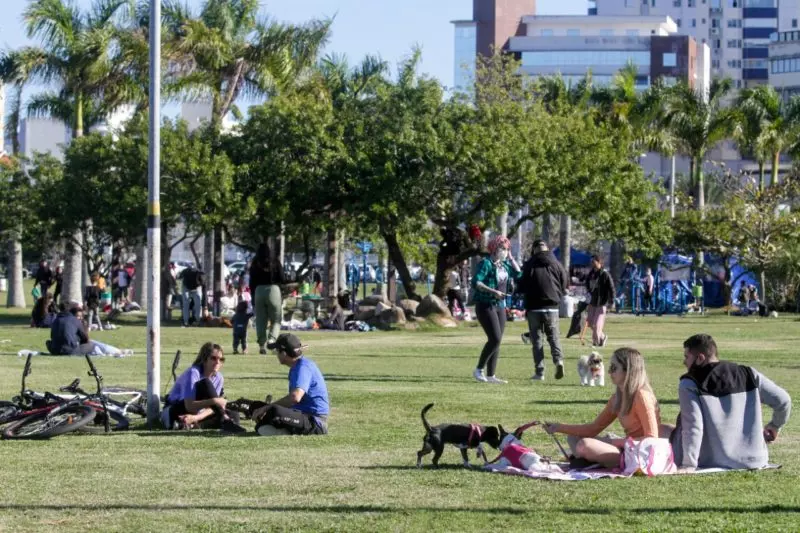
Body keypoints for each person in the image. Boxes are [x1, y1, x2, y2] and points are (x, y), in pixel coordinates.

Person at [667, 334, 791, 471]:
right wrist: (775, 426)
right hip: (754, 460)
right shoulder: (749, 374)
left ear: (700, 358)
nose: (684, 362)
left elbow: (693, 426)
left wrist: (688, 464)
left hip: (711, 460)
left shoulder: (689, 383)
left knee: (666, 430)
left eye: (687, 357)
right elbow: (784, 400)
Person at [544, 347, 663, 468]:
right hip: (626, 448)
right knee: (573, 438)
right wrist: (558, 427)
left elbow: (652, 439)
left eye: (614, 368)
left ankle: (592, 461)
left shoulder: (641, 396)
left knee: (585, 444)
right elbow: (594, 428)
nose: (609, 372)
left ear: (628, 371)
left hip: (641, 454)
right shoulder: (617, 398)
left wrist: (612, 442)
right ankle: (593, 461)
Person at [251, 334, 329, 436]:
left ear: (284, 353)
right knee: (257, 407)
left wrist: (268, 407)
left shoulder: (303, 367)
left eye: (277, 351)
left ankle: (280, 430)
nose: (276, 354)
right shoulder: (296, 367)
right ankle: (276, 428)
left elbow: (295, 397)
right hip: (301, 414)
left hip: (314, 420)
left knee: (274, 411)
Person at [162, 342, 245, 434]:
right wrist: (214, 401)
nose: (218, 362)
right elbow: (189, 406)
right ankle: (226, 421)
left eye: (221, 359)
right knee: (205, 383)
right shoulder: (193, 373)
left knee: (234, 414)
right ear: (204, 359)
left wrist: (196, 417)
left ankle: (191, 424)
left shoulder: (219, 378)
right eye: (213, 358)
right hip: (175, 410)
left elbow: (214, 408)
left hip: (196, 413)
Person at [470, 235, 521, 384]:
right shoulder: (486, 263)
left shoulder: (504, 265)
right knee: (495, 338)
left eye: (506, 249)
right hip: (485, 305)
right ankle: (479, 369)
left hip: (500, 306)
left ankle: (491, 375)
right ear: (493, 248)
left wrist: (511, 258)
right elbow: (476, 282)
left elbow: (519, 274)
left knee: (497, 341)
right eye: (502, 249)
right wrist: (493, 292)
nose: (504, 252)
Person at [519, 240, 569, 381]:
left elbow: (521, 285)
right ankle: (558, 361)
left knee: (537, 341)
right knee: (553, 337)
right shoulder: (556, 263)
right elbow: (565, 282)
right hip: (552, 307)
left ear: (534, 249)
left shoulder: (529, 264)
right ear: (547, 249)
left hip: (534, 307)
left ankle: (539, 372)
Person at [249, 243, 285, 354]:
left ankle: (261, 345)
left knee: (260, 320)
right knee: (276, 319)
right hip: (273, 290)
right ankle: (272, 339)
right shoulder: (275, 262)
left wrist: (252, 297)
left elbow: (251, 282)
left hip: (258, 291)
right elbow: (282, 278)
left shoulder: (255, 263)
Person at [585, 255, 614, 347]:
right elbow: (587, 284)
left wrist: (611, 302)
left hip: (602, 303)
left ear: (599, 262)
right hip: (592, 302)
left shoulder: (605, 274)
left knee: (597, 325)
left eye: (594, 262)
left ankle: (595, 343)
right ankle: (602, 337)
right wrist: (589, 292)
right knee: (590, 323)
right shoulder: (591, 274)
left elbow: (611, 288)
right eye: (591, 262)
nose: (592, 264)